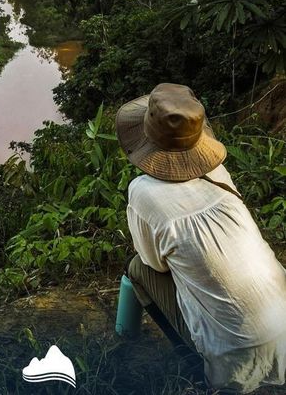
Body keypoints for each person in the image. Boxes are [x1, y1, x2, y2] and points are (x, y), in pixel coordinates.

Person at [116, 82, 286, 393]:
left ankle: (199, 369)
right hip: (283, 327)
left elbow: (156, 264)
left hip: (235, 360)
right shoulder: (218, 172)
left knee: (137, 268)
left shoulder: (143, 192)